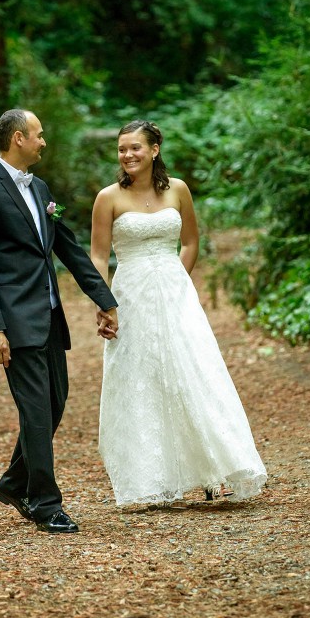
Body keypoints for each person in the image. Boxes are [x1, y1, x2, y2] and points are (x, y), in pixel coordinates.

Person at [90, 120, 267, 507]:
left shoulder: (179, 190)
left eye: (135, 147)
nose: (127, 155)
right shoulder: (108, 198)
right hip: (129, 295)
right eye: (122, 149)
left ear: (154, 149)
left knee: (195, 370)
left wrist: (174, 279)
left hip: (175, 293)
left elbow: (190, 243)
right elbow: (99, 255)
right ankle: (152, 477)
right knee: (142, 375)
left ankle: (214, 469)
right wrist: (103, 302)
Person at [0, 108, 118, 534]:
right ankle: (46, 504)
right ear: (17, 138)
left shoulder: (41, 188)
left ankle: (14, 483)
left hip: (49, 317)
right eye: (38, 135)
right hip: (13, 321)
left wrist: (104, 298)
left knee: (54, 404)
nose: (44, 142)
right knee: (36, 412)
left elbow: (65, 246)